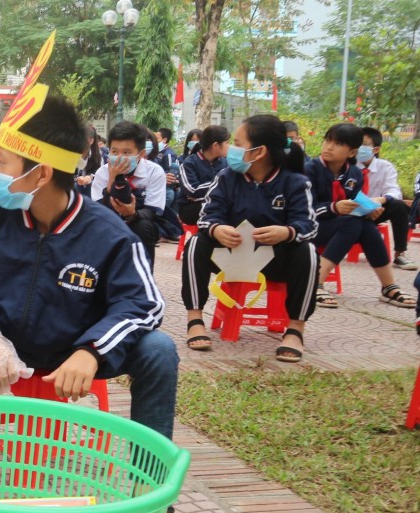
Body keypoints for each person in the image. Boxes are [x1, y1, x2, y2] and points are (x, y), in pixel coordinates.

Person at [0, 33, 213, 513]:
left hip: (71, 354)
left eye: (4, 163)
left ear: (41, 171)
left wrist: (92, 351)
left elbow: (144, 304)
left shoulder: (106, 233)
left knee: (158, 351)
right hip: (4, 346)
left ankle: (155, 498)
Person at [182, 115, 317, 360]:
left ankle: (295, 330)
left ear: (259, 151)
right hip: (231, 257)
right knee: (195, 244)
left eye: (237, 143)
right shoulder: (226, 178)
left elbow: (308, 225)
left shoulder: (295, 182)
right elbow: (206, 216)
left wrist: (286, 232)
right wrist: (216, 229)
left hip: (274, 261)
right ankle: (195, 320)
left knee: (307, 251)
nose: (231, 150)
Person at [305, 124, 415, 309]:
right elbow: (303, 209)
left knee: (365, 225)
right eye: (328, 140)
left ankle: (388, 286)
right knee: (352, 224)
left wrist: (368, 210)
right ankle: (315, 283)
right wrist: (334, 207)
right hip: (307, 228)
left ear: (352, 152)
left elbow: (354, 202)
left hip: (338, 227)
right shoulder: (310, 169)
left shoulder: (354, 173)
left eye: (338, 143)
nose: (329, 147)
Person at [91, 121, 165, 270]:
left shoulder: (154, 172)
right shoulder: (102, 173)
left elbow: (153, 210)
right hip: (109, 221)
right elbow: (98, 212)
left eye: (126, 153)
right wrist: (111, 182)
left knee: (144, 227)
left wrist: (133, 214)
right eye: (114, 152)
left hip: (139, 221)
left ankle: (143, 274)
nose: (119, 157)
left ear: (141, 154)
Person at [358, 127, 416, 270]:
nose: (359, 148)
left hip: (376, 210)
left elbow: (394, 191)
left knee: (398, 206)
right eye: (357, 143)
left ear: (376, 149)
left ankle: (399, 254)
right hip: (352, 210)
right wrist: (364, 205)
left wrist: (380, 200)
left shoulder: (385, 167)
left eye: (364, 144)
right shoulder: (348, 166)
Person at [177, 125, 229, 226]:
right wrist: (221, 184)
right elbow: (192, 190)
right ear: (215, 145)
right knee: (221, 208)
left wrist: (202, 195)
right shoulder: (189, 163)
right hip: (190, 207)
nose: (229, 146)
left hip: (212, 201)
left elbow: (230, 187)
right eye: (227, 142)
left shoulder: (225, 162)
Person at [74, 125, 102, 197]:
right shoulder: (72, 153)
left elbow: (97, 171)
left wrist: (90, 177)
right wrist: (77, 179)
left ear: (91, 141)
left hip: (89, 184)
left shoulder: (96, 154)